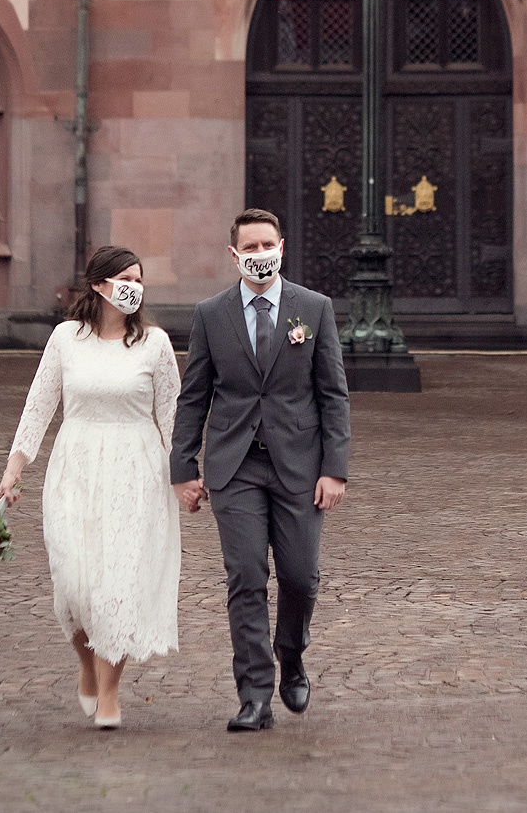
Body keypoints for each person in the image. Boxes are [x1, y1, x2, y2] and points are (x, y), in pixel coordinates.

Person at [171, 207, 350, 732]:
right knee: (246, 576)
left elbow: (333, 394)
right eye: (248, 248)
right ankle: (254, 695)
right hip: (235, 466)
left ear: (282, 245)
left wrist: (334, 468)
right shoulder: (211, 314)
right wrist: (183, 466)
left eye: (266, 245)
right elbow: (194, 396)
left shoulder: (313, 309)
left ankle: (291, 653)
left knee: (300, 577)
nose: (258, 255)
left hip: (300, 465)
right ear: (233, 255)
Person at [0, 246, 181, 730]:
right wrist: (13, 470)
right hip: (75, 468)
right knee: (74, 587)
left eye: (139, 279)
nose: (132, 287)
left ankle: (110, 693)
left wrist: (185, 477)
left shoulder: (156, 344)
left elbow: (173, 420)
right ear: (98, 284)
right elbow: (38, 407)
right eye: (124, 278)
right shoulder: (65, 339)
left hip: (136, 473)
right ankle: (86, 665)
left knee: (117, 586)